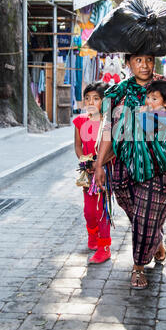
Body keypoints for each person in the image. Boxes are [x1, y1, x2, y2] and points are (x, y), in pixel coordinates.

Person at [94, 55, 166, 289]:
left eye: (148, 59)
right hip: (124, 164)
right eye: (137, 60)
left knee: (146, 216)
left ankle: (138, 267)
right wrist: (99, 164)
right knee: (136, 213)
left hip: (160, 165)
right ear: (128, 63)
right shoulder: (118, 93)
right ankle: (156, 243)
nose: (144, 65)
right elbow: (107, 127)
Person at [73, 81, 113, 264]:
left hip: (104, 171)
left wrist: (98, 164)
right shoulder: (80, 121)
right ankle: (92, 234)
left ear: (103, 102)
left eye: (96, 98)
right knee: (89, 211)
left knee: (101, 210)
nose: (91, 102)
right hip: (87, 171)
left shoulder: (107, 123)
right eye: (87, 98)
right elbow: (77, 145)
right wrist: (84, 160)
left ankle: (105, 247)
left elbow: (109, 149)